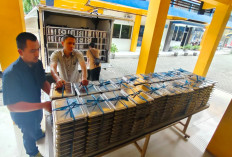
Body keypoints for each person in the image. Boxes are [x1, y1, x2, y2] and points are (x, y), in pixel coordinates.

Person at [2, 32, 51, 157]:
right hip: (22, 115)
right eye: (32, 50)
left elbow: (42, 82)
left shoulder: (37, 63)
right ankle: (33, 153)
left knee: (38, 122)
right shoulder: (11, 74)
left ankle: (38, 132)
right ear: (20, 52)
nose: (37, 54)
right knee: (28, 134)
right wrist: (43, 105)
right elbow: (12, 106)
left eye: (38, 49)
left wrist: (54, 96)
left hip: (37, 105)